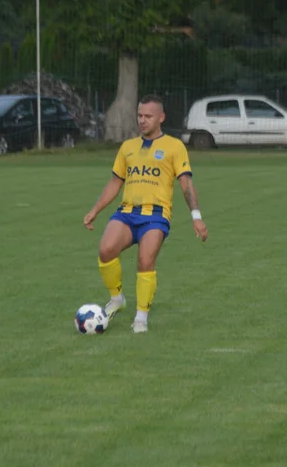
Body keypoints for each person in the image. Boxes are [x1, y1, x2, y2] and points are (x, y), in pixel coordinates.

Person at [83, 94, 209, 334]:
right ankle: (117, 299)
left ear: (161, 117)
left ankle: (141, 317)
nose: (142, 120)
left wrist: (196, 216)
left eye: (148, 116)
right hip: (127, 212)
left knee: (145, 261)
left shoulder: (174, 146)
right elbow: (114, 183)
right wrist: (95, 210)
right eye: (140, 115)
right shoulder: (128, 147)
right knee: (105, 250)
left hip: (156, 216)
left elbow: (186, 183)